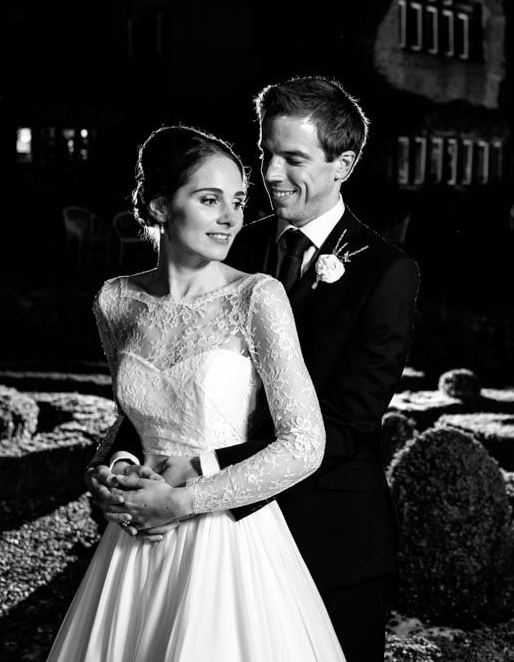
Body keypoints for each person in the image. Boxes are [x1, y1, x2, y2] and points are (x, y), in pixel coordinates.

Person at [88, 76, 420, 662]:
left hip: (326, 534)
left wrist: (194, 472)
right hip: (190, 535)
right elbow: (166, 377)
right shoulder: (228, 242)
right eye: (267, 152)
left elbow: (346, 425)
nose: (268, 174)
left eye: (292, 157)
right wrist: (122, 464)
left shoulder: (386, 273)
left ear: (342, 164)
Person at [48, 125, 346, 661]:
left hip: (226, 541)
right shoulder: (116, 301)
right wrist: (112, 466)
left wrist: (184, 501)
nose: (232, 217)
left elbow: (305, 444)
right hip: (136, 544)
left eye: (237, 201)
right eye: (210, 200)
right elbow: (135, 421)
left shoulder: (258, 297)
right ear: (161, 206)